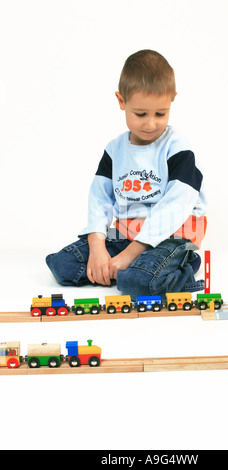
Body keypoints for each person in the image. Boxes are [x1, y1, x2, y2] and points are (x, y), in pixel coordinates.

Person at [46, 49, 207, 300]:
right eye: (140, 114)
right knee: (62, 265)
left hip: (171, 237)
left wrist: (130, 255)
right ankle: (133, 270)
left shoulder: (178, 149)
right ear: (121, 101)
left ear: (172, 100)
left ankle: (179, 265)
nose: (150, 124)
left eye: (160, 114)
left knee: (137, 284)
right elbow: (99, 198)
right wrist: (98, 246)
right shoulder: (115, 150)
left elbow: (175, 207)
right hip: (124, 235)